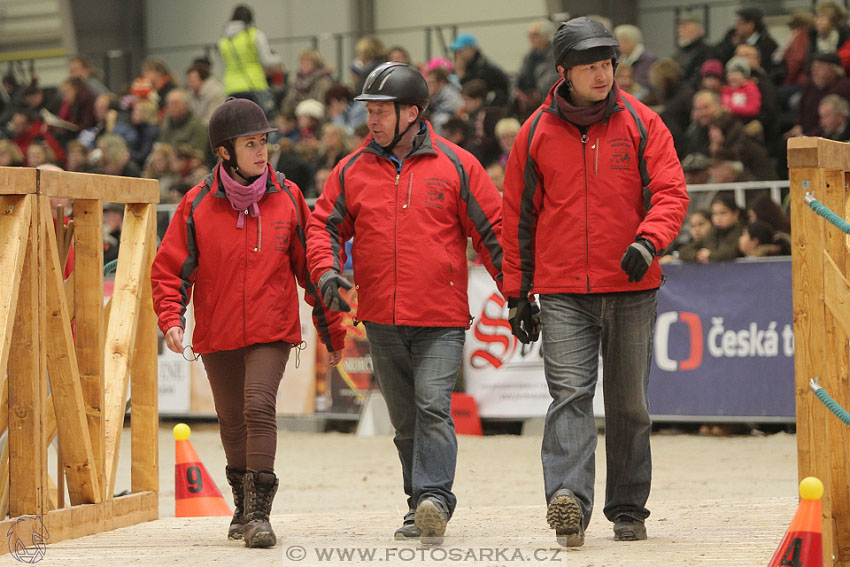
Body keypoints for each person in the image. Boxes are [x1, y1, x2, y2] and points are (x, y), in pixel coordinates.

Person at [501, 17, 688, 547]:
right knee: (569, 396)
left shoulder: (644, 122)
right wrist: (517, 294)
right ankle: (568, 501)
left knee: (629, 405)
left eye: (607, 64)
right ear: (564, 72)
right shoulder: (534, 133)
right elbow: (517, 218)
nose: (602, 74)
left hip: (632, 288)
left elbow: (672, 192)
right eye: (590, 66)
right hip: (562, 293)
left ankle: (628, 507)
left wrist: (647, 241)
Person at [305, 62, 504, 544]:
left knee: (433, 406)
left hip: (441, 317)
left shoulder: (458, 165)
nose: (370, 121)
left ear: (412, 112)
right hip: (380, 318)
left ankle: (435, 497)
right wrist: (327, 270)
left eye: (380, 111)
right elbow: (323, 226)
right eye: (368, 111)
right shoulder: (351, 169)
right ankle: (418, 506)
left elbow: (493, 232)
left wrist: (518, 295)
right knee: (405, 421)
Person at [151, 98, 345, 548]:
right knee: (231, 420)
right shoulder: (195, 204)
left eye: (264, 142)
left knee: (258, 405)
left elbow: (310, 269)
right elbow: (170, 270)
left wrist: (331, 329)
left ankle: (260, 513)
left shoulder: (289, 196)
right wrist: (171, 318)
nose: (262, 152)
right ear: (224, 152)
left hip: (271, 327)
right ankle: (241, 504)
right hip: (217, 332)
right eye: (250, 144)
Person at [218, 4, 281, 117]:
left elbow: (223, 64)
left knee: (239, 125)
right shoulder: (254, 34)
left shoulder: (223, 40)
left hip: (231, 87)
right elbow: (266, 60)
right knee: (262, 121)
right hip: (254, 84)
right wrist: (277, 58)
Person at [450, 33, 510, 107]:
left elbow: (473, 92)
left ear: (472, 50)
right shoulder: (470, 66)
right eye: (455, 52)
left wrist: (462, 75)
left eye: (460, 51)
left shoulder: (485, 69)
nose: (457, 55)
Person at [515, 19, 560, 119]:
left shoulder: (555, 54)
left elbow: (553, 77)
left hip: (547, 99)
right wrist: (518, 91)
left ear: (546, 36)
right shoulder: (529, 56)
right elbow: (520, 76)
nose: (531, 38)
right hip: (529, 100)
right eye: (529, 35)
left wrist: (538, 93)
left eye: (535, 35)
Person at [679, 194, 743, 263]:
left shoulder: (741, 232)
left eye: (723, 213)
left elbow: (731, 252)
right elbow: (684, 251)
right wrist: (698, 255)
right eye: (715, 213)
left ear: (736, 214)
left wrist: (710, 255)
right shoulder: (712, 233)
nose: (718, 218)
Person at [614, 25, 657, 92]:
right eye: (618, 41)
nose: (619, 45)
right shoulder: (621, 58)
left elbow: (645, 83)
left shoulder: (648, 59)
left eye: (623, 41)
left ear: (633, 40)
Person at [673, 10, 711, 85]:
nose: (679, 31)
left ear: (696, 28)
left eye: (683, 26)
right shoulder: (678, 53)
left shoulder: (706, 51)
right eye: (679, 27)